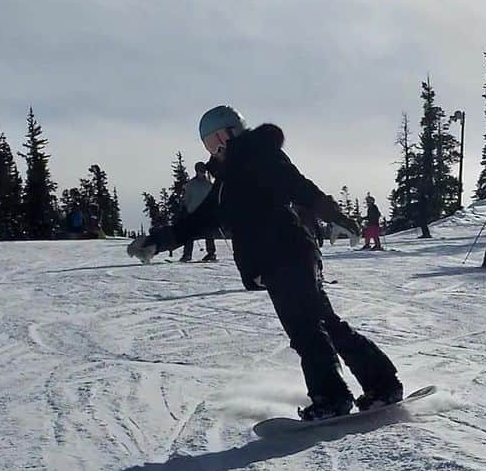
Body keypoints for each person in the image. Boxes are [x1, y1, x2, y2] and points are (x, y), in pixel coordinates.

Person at [127, 105, 402, 420]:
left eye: (216, 139)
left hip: (289, 253)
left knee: (306, 329)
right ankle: (380, 384)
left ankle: (333, 396)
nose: (213, 149)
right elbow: (199, 221)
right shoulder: (226, 182)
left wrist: (335, 217)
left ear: (232, 133)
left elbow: (298, 187)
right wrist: (157, 242)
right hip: (274, 262)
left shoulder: (259, 156)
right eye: (207, 144)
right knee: (323, 324)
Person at [179, 161, 216, 262]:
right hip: (194, 212)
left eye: (203, 171)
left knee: (208, 233)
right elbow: (187, 198)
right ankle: (187, 255)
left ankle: (211, 253)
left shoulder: (208, 185)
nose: (202, 173)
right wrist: (185, 207)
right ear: (197, 171)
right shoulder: (192, 184)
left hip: (205, 212)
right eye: (200, 171)